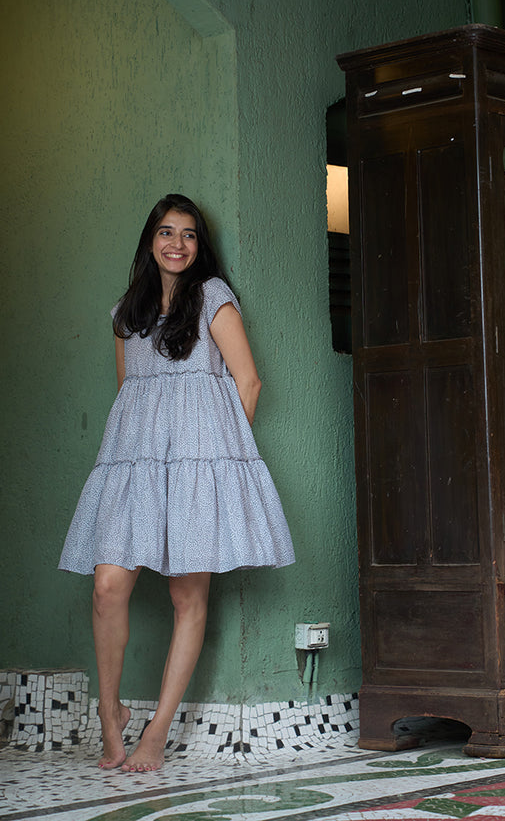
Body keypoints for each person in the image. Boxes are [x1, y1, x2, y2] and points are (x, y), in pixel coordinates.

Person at [59, 194, 295, 772]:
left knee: (186, 595)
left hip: (197, 467)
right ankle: (109, 710)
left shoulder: (214, 298)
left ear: (199, 245)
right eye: (166, 232)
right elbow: (129, 396)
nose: (177, 244)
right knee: (108, 584)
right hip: (135, 463)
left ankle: (156, 731)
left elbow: (250, 383)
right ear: (150, 241)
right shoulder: (125, 314)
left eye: (188, 235)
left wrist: (217, 464)